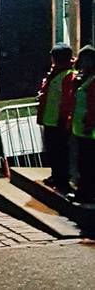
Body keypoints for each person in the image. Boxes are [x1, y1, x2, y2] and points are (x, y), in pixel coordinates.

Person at [36, 43, 75, 193]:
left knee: (61, 151)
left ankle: (62, 179)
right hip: (50, 118)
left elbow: (66, 99)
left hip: (59, 120)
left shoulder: (67, 75)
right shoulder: (55, 73)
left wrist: (64, 118)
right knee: (52, 149)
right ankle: (55, 175)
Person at [72, 45, 95, 204]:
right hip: (81, 128)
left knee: (87, 163)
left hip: (89, 130)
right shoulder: (86, 78)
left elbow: (93, 105)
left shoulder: (93, 81)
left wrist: (89, 124)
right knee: (83, 162)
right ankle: (83, 191)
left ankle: (86, 193)